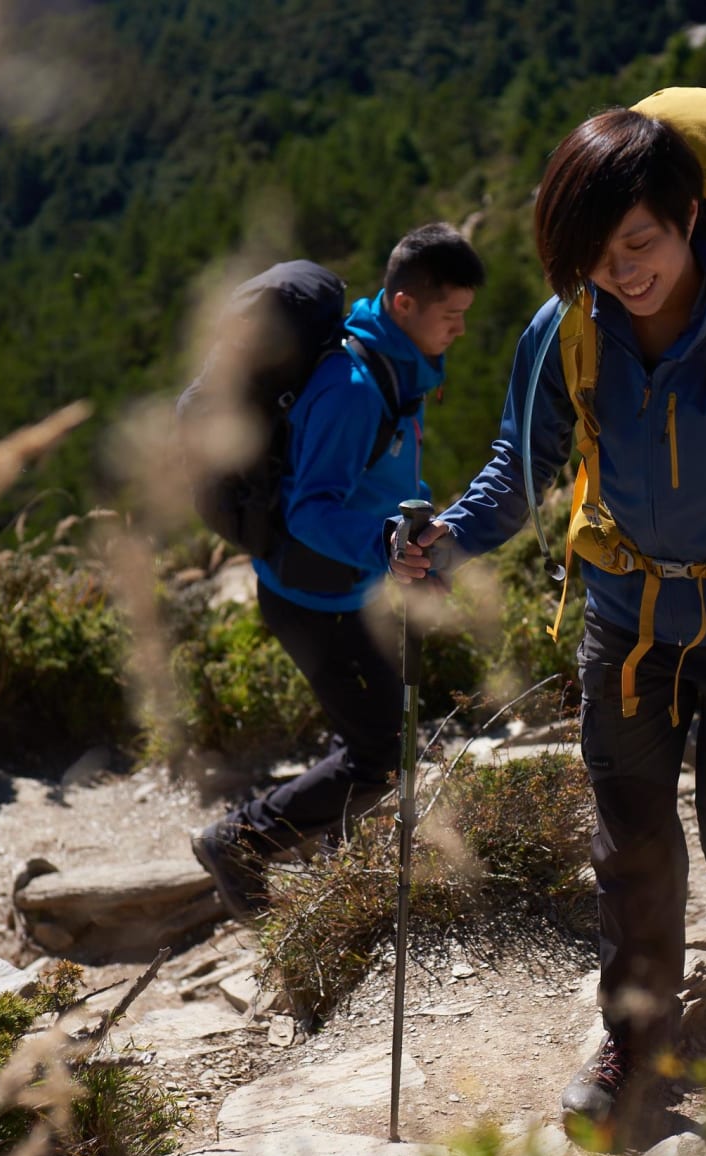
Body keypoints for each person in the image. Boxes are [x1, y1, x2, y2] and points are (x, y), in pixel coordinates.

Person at [393, 110, 706, 1134]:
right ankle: (635, 1036)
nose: (620, 272)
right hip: (629, 622)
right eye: (596, 256)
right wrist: (448, 541)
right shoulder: (565, 331)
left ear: (689, 215)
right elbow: (518, 473)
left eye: (639, 243)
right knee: (630, 847)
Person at [192, 222, 486, 919]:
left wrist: (407, 541)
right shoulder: (355, 386)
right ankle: (238, 840)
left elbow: (374, 486)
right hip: (317, 602)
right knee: (383, 752)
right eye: (452, 316)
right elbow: (310, 513)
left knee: (384, 728)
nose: (461, 332)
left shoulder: (393, 364)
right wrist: (388, 541)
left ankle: (331, 841)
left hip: (349, 588)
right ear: (404, 304)